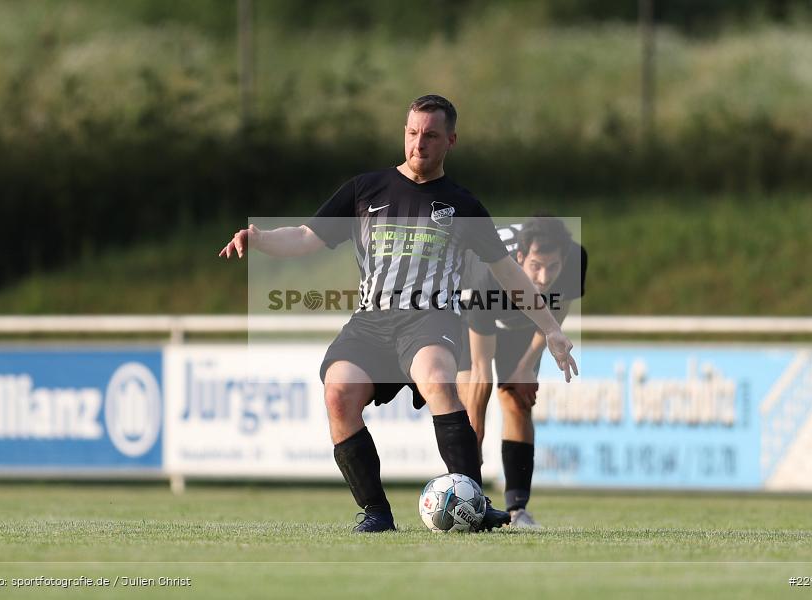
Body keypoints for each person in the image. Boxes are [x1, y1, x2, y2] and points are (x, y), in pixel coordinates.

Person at [219, 95, 578, 532]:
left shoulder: (463, 206)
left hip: (431, 319)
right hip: (371, 321)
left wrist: (552, 330)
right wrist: (260, 238)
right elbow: (304, 236)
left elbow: (510, 276)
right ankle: (376, 513)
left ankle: (473, 504)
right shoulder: (364, 190)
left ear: (450, 140)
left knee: (436, 377)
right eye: (411, 133)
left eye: (429, 135)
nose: (418, 143)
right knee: (338, 393)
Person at [457, 217, 587, 528]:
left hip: (525, 323)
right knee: (470, 413)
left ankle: (518, 510)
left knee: (517, 399)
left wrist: (526, 366)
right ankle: (469, 499)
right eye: (536, 266)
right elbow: (480, 368)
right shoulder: (486, 277)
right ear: (519, 258)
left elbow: (555, 316)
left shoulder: (574, 259)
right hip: (466, 313)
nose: (544, 278)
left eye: (552, 267)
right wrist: (473, 437)